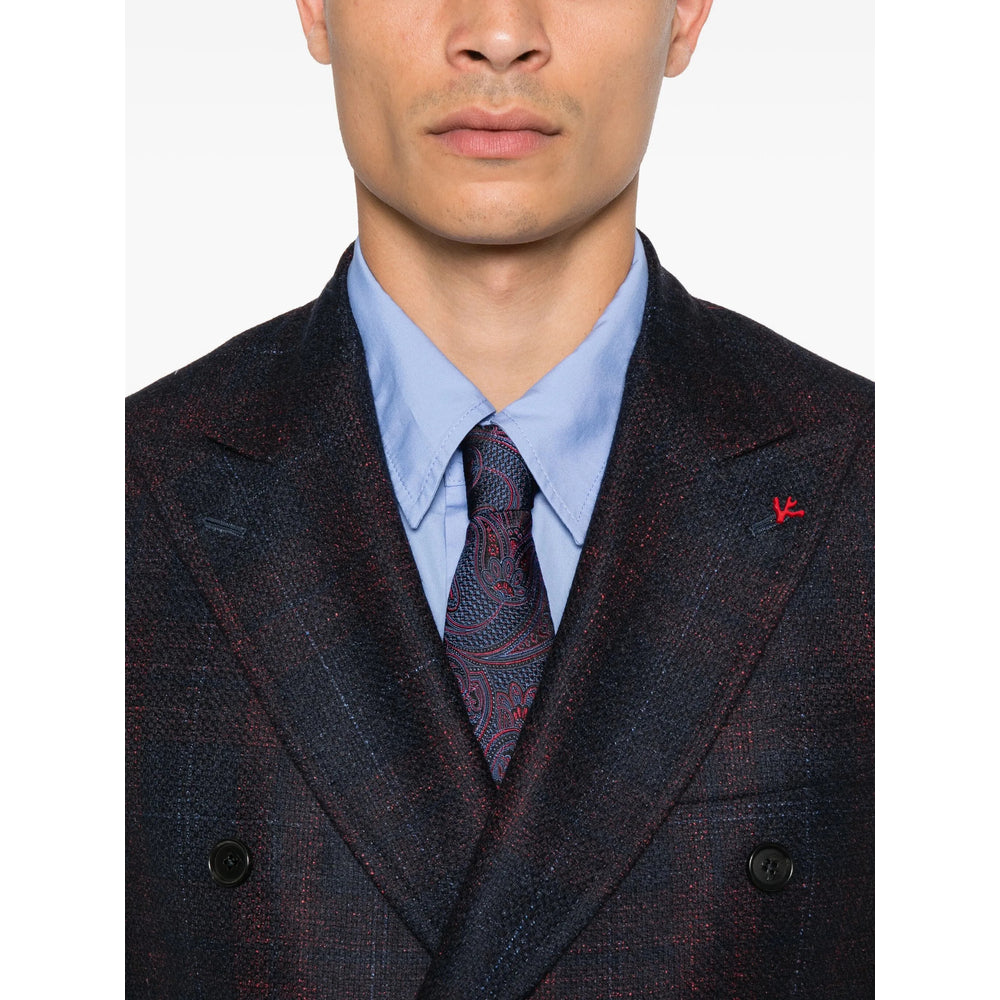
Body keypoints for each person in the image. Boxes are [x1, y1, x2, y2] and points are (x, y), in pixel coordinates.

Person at [126, 1, 874, 996]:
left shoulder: (887, 495)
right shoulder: (114, 502)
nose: (500, 30)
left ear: (686, 15)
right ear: (315, 8)